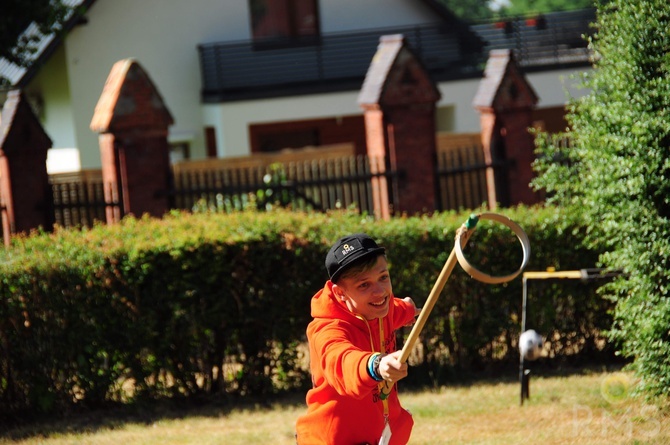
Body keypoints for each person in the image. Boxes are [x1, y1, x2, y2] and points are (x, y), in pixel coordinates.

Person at [295, 233, 420, 445]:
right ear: (340, 293)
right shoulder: (326, 330)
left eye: (383, 277)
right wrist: (377, 365)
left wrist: (409, 310)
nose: (380, 292)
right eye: (364, 285)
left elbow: (396, 309)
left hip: (375, 435)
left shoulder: (381, 308)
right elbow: (343, 361)